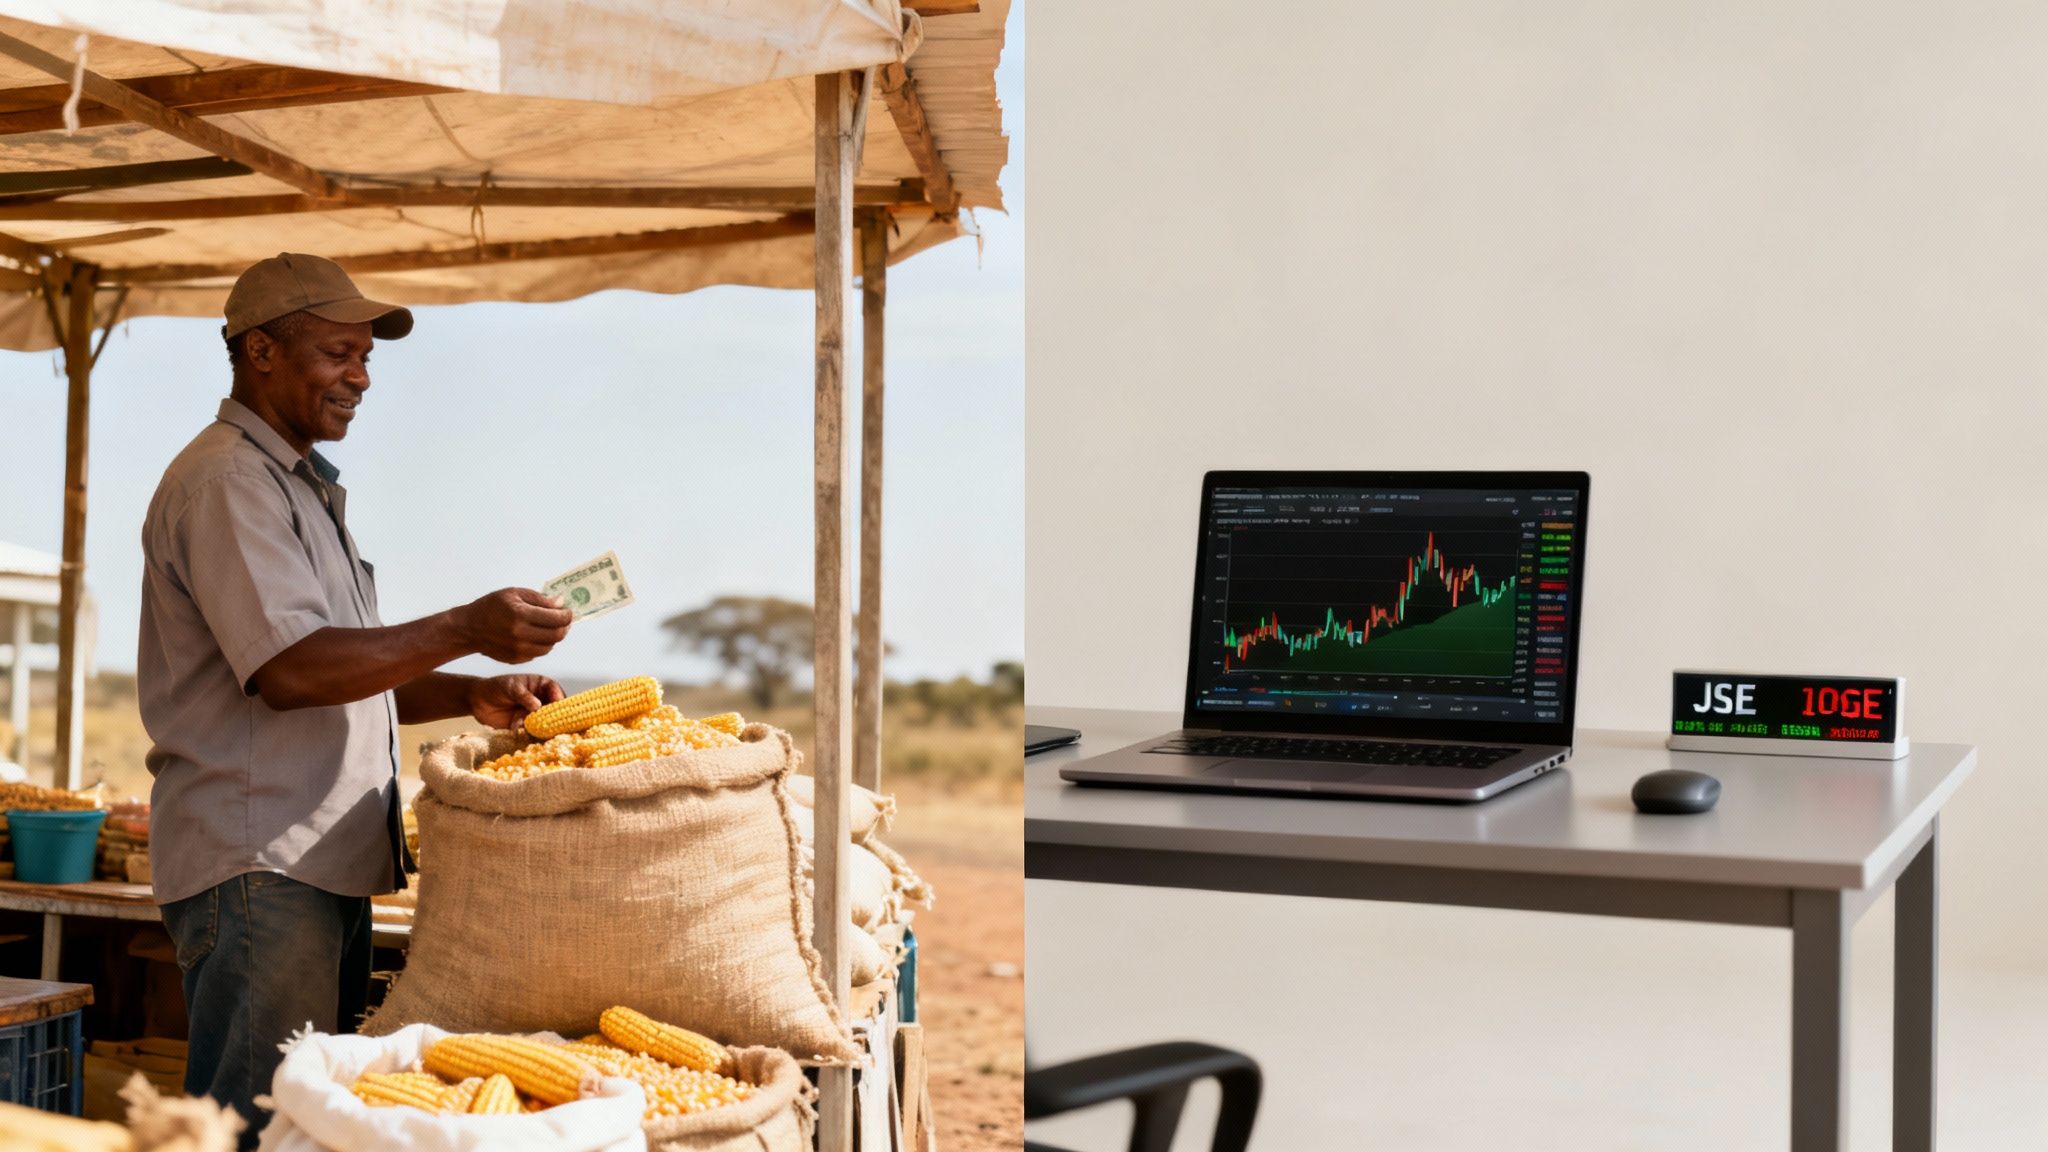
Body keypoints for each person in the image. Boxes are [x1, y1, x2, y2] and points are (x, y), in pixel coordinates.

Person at [136, 253, 574, 1141]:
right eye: (339, 353)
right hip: (263, 865)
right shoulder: (229, 483)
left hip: (314, 865)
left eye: (367, 357)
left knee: (306, 1129)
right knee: (259, 1128)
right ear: (260, 351)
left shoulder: (296, 487)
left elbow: (341, 666)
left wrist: (469, 689)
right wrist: (462, 625)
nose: (361, 378)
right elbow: (293, 671)